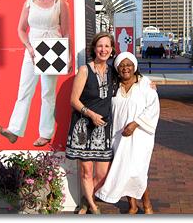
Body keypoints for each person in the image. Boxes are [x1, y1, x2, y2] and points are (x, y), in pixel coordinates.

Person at [0, 0, 73, 147]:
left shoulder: (60, 2)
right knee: (24, 90)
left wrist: (69, 56)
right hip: (32, 51)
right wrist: (29, 47)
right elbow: (21, 30)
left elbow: (67, 32)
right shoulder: (29, 2)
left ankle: (45, 134)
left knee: (47, 92)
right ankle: (14, 130)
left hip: (52, 48)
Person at [95, 52, 160, 214]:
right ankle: (132, 205)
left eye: (129, 64)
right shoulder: (113, 86)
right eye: (122, 65)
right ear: (117, 68)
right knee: (124, 170)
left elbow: (153, 106)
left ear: (135, 66)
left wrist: (135, 123)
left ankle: (147, 204)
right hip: (118, 135)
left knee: (138, 171)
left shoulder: (145, 84)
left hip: (140, 135)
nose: (126, 68)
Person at [65, 32, 116, 214]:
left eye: (107, 46)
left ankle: (86, 198)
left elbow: (131, 79)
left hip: (103, 128)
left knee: (103, 174)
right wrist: (91, 114)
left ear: (112, 49)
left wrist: (148, 85)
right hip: (83, 127)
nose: (103, 50)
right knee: (87, 170)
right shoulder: (84, 70)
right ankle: (93, 208)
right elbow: (74, 100)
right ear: (94, 48)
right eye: (100, 46)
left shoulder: (112, 71)